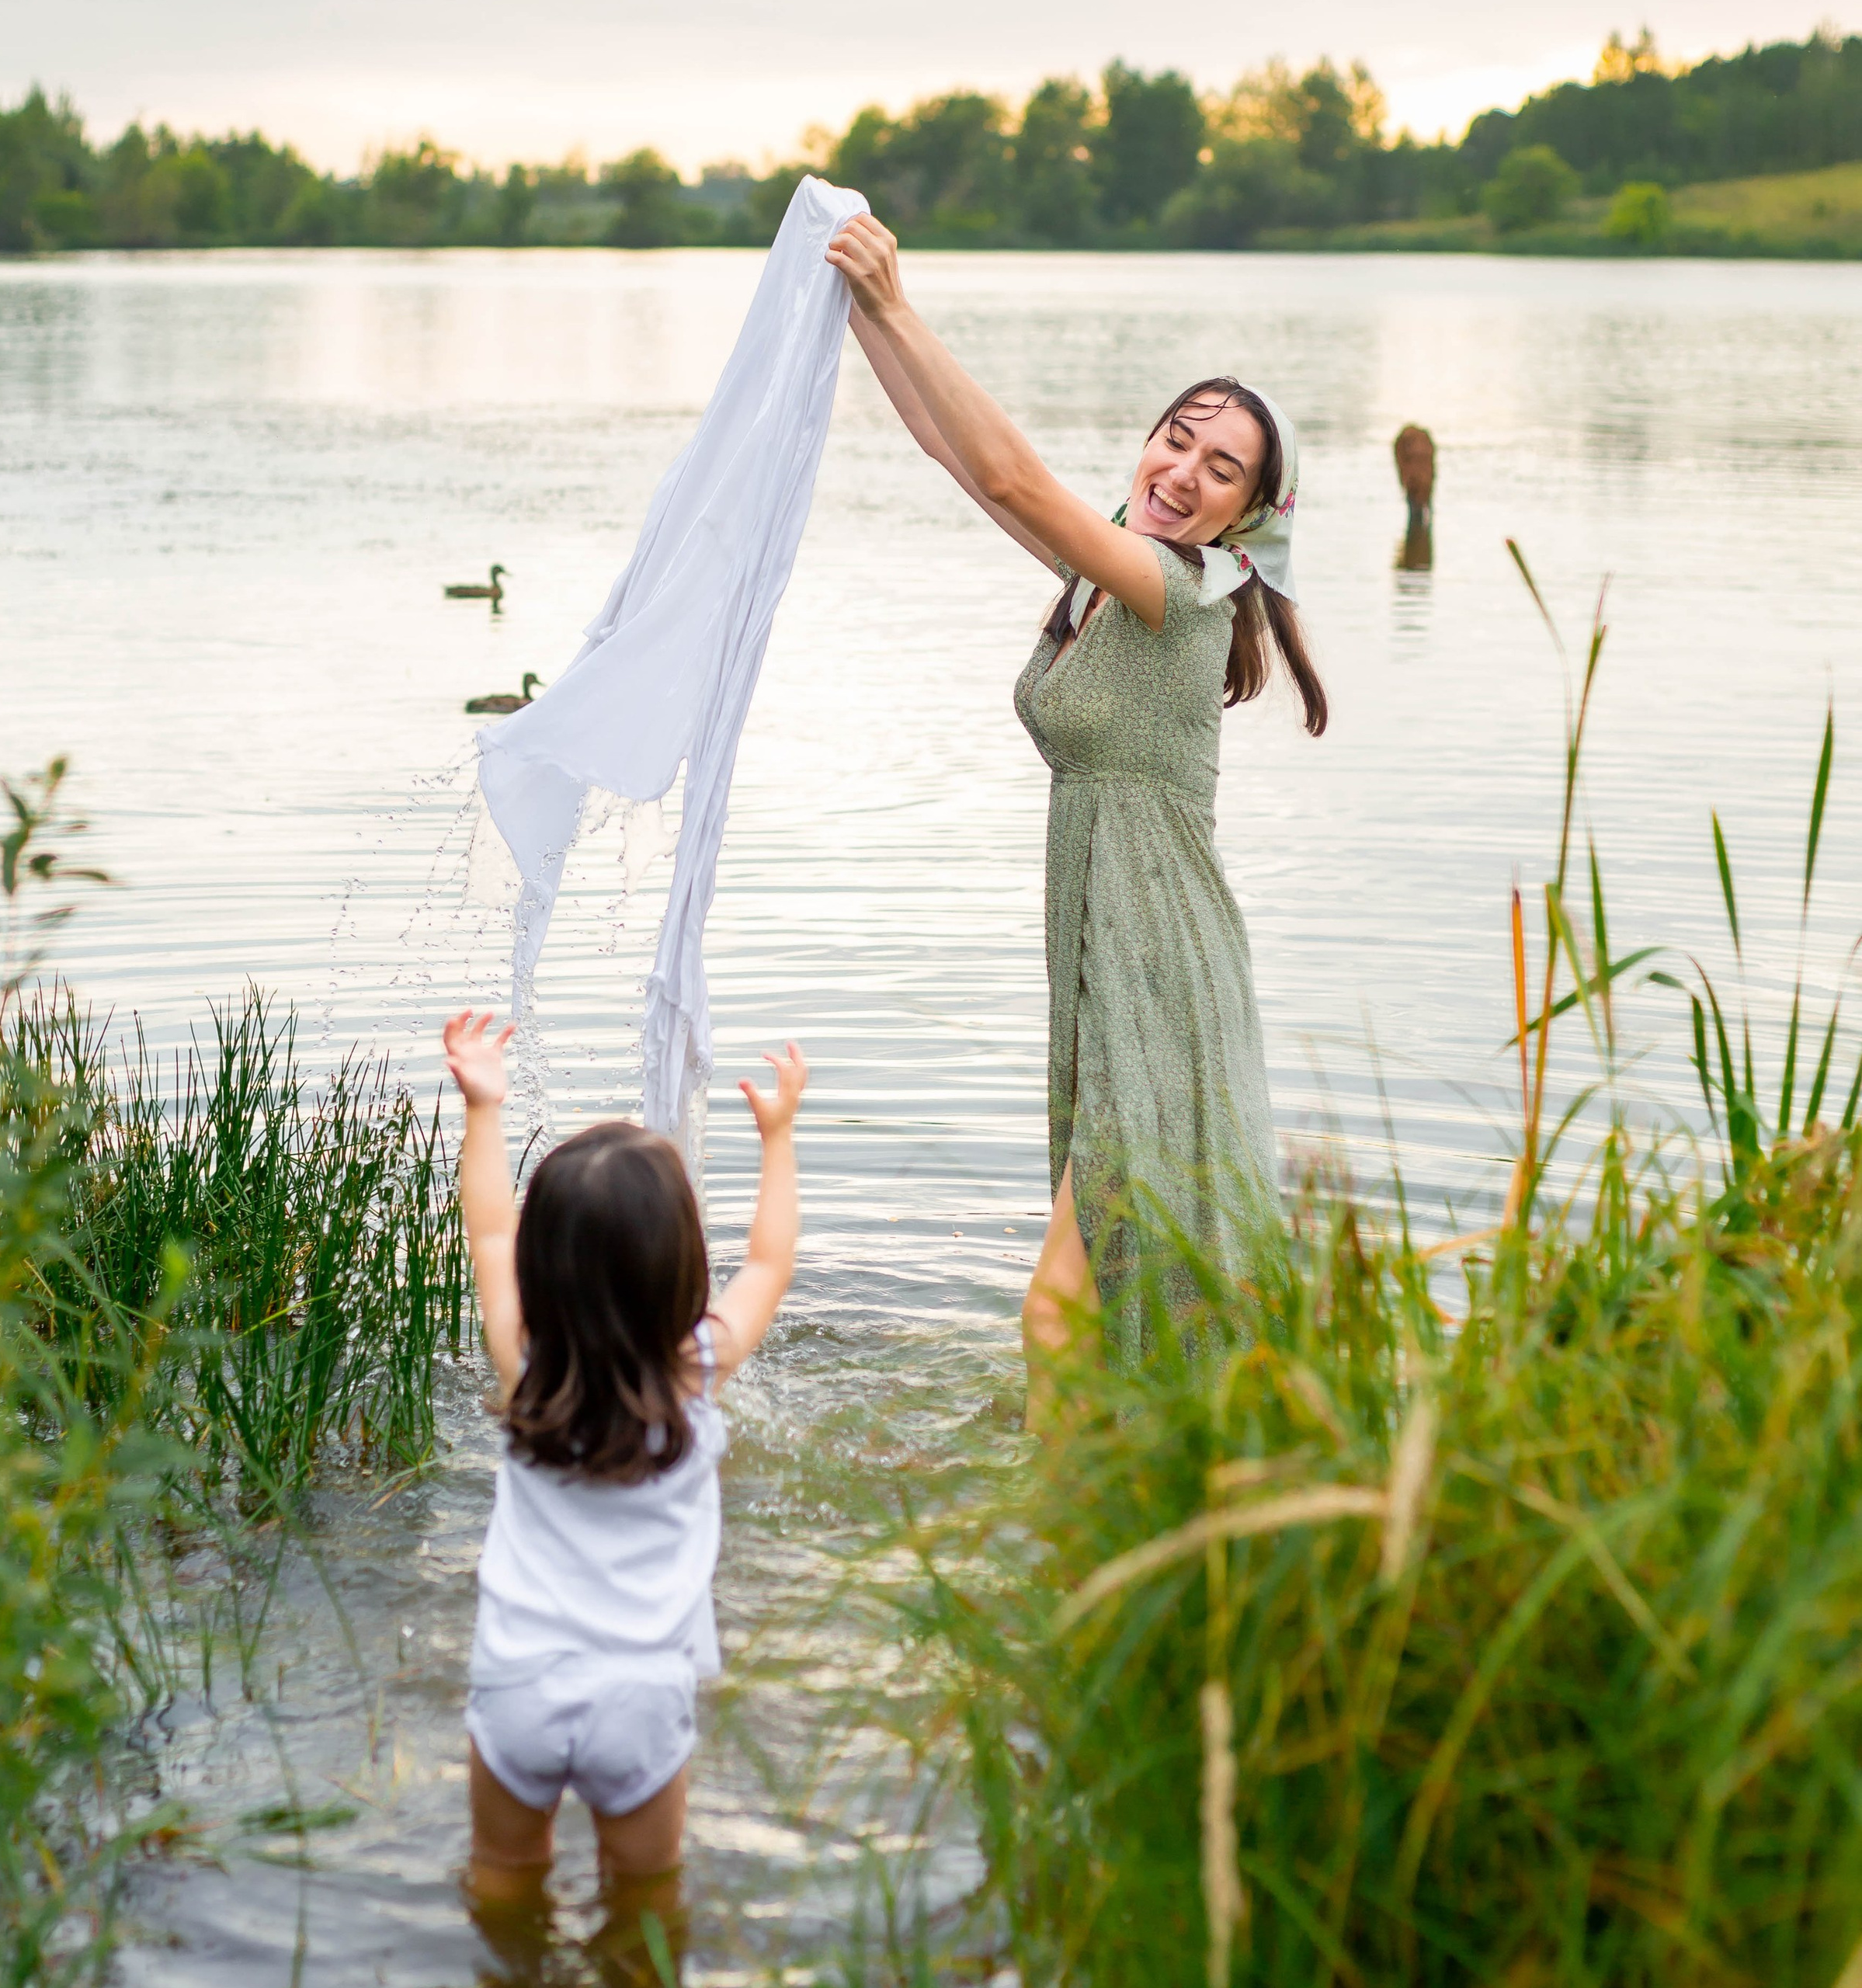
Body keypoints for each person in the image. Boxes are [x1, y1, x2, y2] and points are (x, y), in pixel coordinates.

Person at [826, 213, 1327, 1416]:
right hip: (1109, 962)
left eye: (1222, 470)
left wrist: (898, 303)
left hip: (1163, 975)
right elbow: (959, 458)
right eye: (1177, 439)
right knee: (1101, 1293)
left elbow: (1013, 475)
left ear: (1247, 516)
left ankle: (1065, 1520)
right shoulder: (1101, 577)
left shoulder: (1181, 591)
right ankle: (1138, 1490)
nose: (1184, 473)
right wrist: (849, 309)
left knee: (1062, 1307)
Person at [441, 1007, 807, 1931]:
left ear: (545, 1269)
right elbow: (770, 1262)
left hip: (519, 1679)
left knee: (502, 1875)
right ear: (680, 1265)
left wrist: (484, 1107)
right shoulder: (697, 1369)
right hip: (639, 1697)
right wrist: (778, 1137)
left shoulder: (524, 1362)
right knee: (645, 1902)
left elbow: (488, 1235)